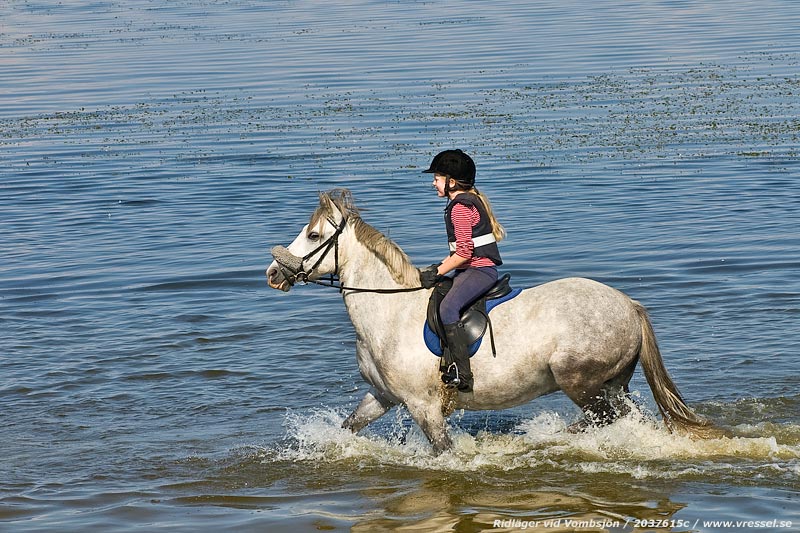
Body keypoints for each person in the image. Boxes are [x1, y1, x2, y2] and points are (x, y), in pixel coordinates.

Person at [418, 149, 505, 393]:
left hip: (479, 271)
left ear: (451, 182)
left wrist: (436, 271)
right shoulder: (465, 201)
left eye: (437, 178)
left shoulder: (459, 208)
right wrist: (439, 269)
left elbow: (465, 252)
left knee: (448, 308)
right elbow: (460, 251)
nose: (433, 182)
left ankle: (462, 373)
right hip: (470, 269)